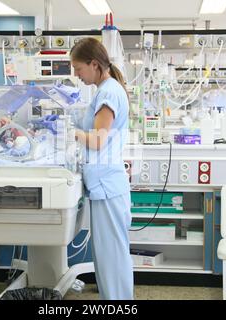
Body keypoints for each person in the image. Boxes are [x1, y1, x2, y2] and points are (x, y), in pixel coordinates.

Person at [70, 38, 134, 300]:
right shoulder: (105, 89)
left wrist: (69, 133)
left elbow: (97, 140)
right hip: (105, 186)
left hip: (108, 187)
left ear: (94, 64)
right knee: (109, 257)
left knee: (112, 258)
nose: (76, 75)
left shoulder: (108, 92)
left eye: (78, 69)